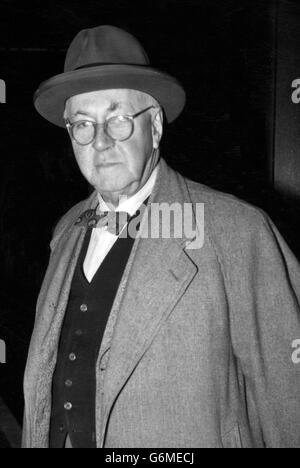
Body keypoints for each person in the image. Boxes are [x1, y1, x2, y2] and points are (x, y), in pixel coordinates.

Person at [22, 25, 300, 449]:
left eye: (118, 120)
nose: (99, 142)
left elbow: (288, 396)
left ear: (154, 127)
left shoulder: (238, 231)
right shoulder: (66, 229)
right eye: (82, 124)